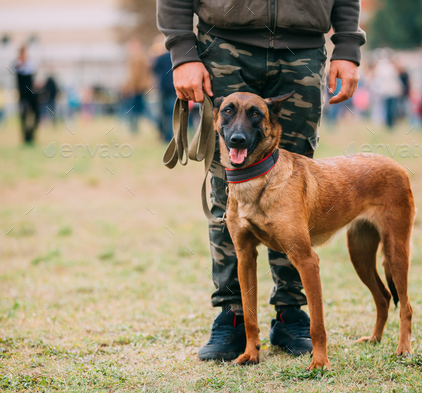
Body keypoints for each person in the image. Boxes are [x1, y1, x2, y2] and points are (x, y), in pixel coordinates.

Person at [158, 0, 365, 361]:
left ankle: (290, 313)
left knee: (295, 191)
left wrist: (347, 45)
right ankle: (233, 316)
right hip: (224, 45)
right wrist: (182, 50)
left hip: (301, 49)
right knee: (228, 189)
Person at [152, 36, 177, 142]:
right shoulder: (175, 56)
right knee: (173, 113)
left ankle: (166, 136)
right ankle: (173, 135)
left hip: (163, 89)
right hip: (174, 88)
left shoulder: (160, 58)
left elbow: (154, 70)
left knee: (164, 113)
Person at [123, 40, 152, 133]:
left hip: (137, 88)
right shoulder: (143, 57)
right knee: (141, 108)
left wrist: (130, 87)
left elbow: (135, 75)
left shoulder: (136, 58)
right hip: (141, 87)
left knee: (136, 109)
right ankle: (134, 128)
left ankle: (134, 129)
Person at [14, 46, 39, 144]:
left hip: (31, 95)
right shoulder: (17, 65)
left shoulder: (30, 64)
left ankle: (32, 135)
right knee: (23, 116)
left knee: (35, 115)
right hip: (23, 96)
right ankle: (25, 137)